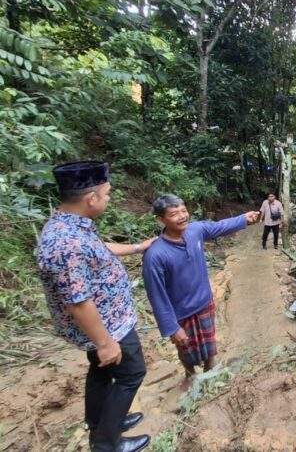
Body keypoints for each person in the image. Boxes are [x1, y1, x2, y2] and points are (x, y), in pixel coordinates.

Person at [37, 161, 156, 452]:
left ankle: (100, 420)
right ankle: (106, 443)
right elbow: (77, 303)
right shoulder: (66, 244)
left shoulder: (71, 224)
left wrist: (139, 247)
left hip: (108, 321)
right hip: (107, 327)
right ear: (92, 198)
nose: (109, 197)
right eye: (107, 193)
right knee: (131, 373)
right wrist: (104, 342)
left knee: (102, 371)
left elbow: (99, 250)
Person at [142, 194, 259, 390]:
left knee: (209, 340)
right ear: (161, 220)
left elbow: (219, 226)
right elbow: (156, 296)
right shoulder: (155, 255)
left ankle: (209, 370)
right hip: (180, 312)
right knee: (185, 348)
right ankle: (189, 374)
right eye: (174, 214)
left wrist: (243, 219)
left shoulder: (195, 231)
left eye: (183, 211)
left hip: (204, 301)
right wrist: (171, 327)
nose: (182, 216)